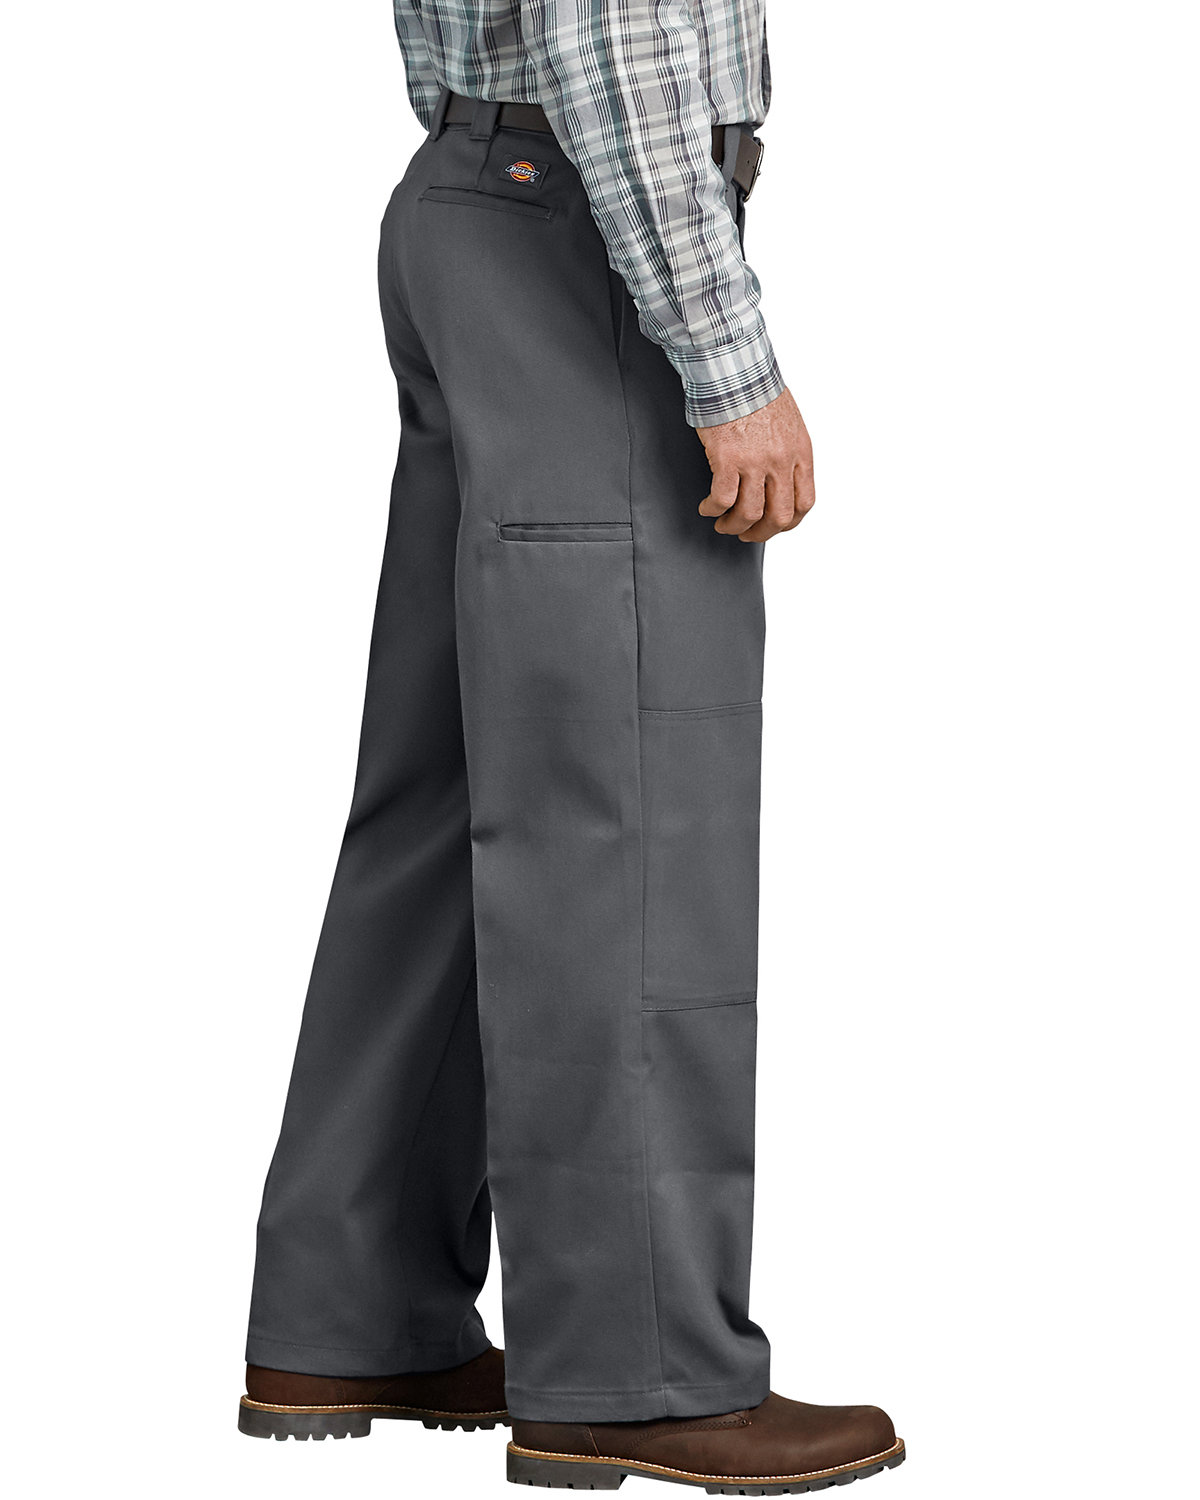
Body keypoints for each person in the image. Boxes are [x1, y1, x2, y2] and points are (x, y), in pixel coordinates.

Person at [238, 3, 903, 1490]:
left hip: (484, 206)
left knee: (451, 799)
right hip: (583, 238)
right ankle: (635, 1371)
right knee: (628, 811)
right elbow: (613, 37)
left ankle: (353, 1309)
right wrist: (728, 362)